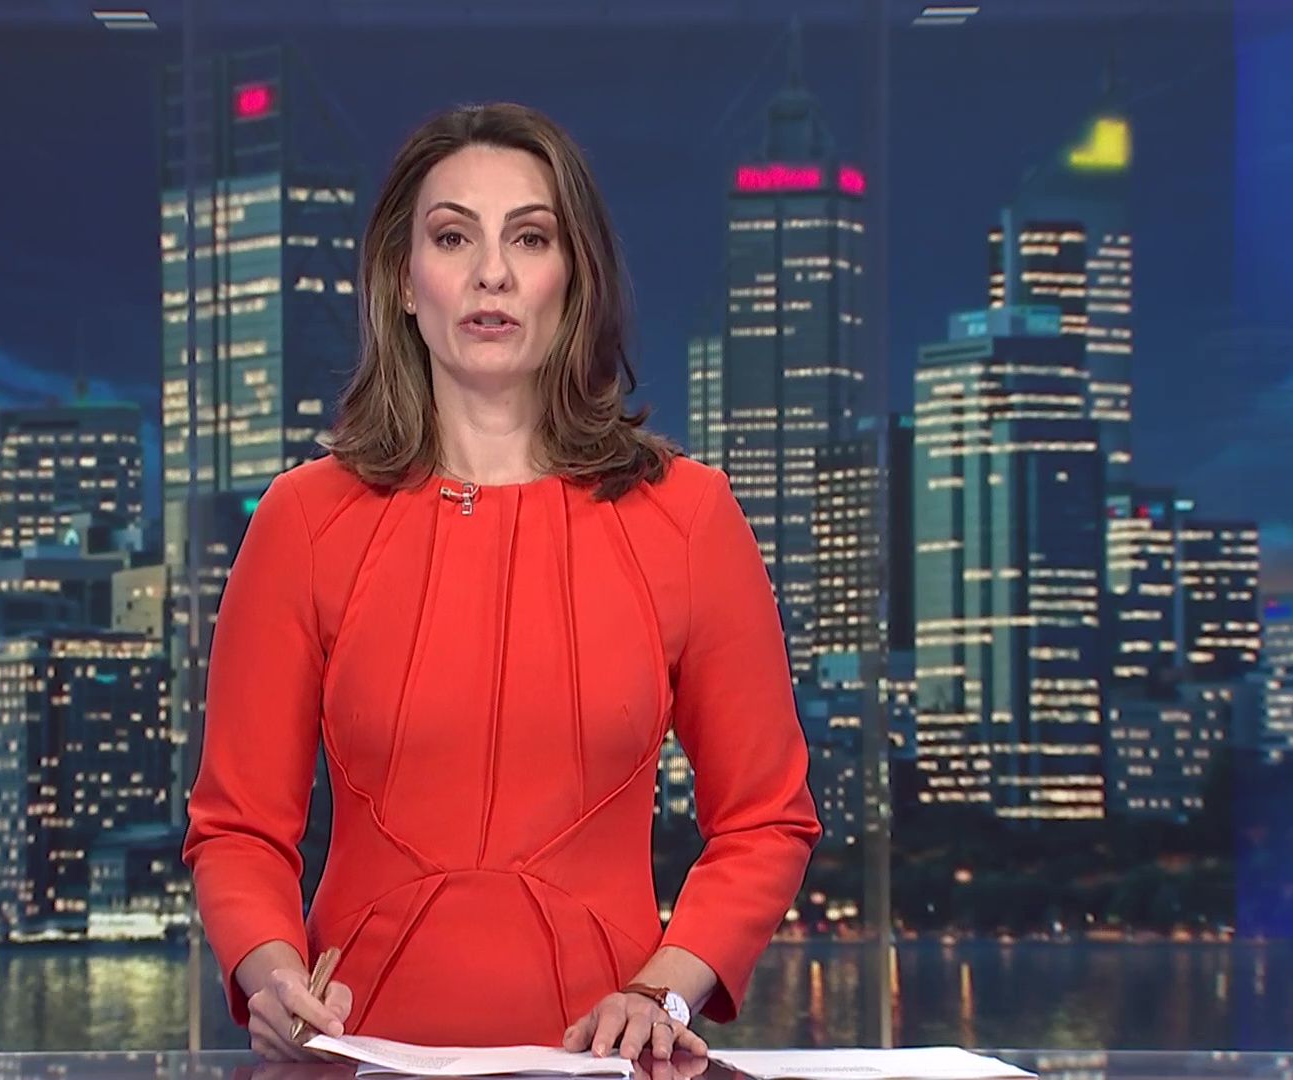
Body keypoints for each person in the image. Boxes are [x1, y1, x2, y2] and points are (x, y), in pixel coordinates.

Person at [182, 101, 821, 1064]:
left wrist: (662, 993)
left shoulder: (688, 515)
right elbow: (237, 827)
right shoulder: (303, 520)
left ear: (575, 278)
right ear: (404, 281)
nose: (492, 273)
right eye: (452, 237)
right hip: (359, 1059)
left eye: (530, 237)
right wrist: (272, 979)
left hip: (601, 1060)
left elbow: (766, 818)